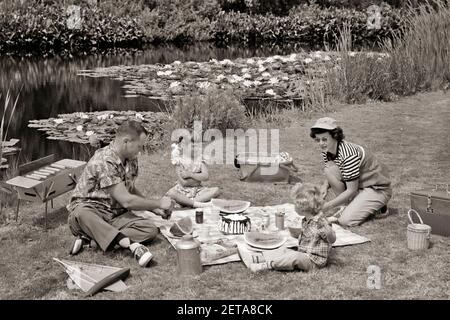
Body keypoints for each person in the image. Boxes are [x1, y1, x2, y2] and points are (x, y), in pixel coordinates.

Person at [67, 120, 173, 267]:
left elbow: (129, 190)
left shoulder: (131, 159)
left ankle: (92, 239)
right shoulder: (104, 160)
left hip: (115, 215)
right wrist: (159, 202)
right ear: (126, 141)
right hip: (92, 212)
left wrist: (153, 209)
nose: (140, 151)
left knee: (150, 230)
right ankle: (132, 246)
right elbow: (127, 201)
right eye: (138, 146)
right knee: (81, 212)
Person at [310, 117, 392, 227]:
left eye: (324, 139)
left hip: (377, 188)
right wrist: (325, 186)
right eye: (317, 140)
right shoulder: (328, 150)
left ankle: (379, 206)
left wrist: (328, 206)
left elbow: (351, 190)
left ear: (335, 136)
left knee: (345, 221)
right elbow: (333, 169)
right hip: (359, 185)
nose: (321, 143)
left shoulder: (348, 155)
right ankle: (350, 205)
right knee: (329, 169)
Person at [243, 183, 336, 272]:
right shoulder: (306, 220)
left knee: (295, 257)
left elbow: (332, 239)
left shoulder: (321, 222)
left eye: (295, 204)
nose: (294, 206)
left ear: (303, 207)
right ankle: (258, 258)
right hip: (303, 253)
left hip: (313, 261)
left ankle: (267, 265)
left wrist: (328, 230)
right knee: (284, 250)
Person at [165, 136, 220, 208]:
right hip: (182, 190)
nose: (195, 149)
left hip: (197, 189)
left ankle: (188, 202)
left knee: (216, 190)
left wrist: (190, 174)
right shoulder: (179, 161)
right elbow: (184, 183)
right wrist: (198, 179)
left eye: (196, 146)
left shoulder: (200, 160)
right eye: (192, 146)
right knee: (171, 193)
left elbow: (206, 177)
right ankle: (197, 203)